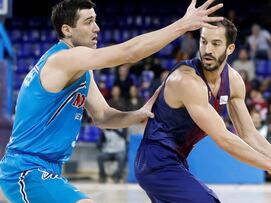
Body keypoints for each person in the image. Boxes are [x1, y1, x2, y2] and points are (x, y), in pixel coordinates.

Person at [0, 0, 224, 202]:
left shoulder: (81, 71)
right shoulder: (64, 58)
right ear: (67, 30)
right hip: (25, 170)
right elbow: (129, 53)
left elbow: (103, 117)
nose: (96, 28)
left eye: (95, 21)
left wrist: (138, 114)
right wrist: (182, 25)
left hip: (45, 170)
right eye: (88, 22)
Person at [135, 18, 271, 203]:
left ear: (230, 49)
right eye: (203, 41)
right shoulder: (186, 80)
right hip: (155, 161)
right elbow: (224, 139)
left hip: (177, 161)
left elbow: (249, 133)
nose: (208, 49)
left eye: (216, 43)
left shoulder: (234, 81)